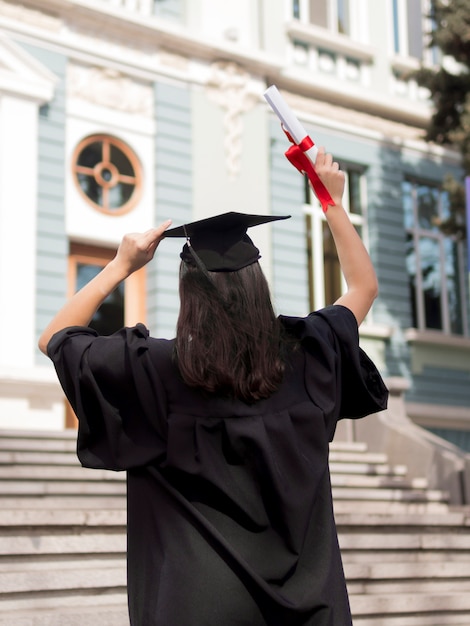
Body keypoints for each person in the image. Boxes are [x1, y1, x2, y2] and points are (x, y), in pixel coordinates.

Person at [39, 147, 388, 626]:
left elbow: (55, 338)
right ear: (257, 284)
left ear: (188, 293)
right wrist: (331, 202)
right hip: (309, 612)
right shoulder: (309, 356)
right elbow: (363, 287)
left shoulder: (151, 371)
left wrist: (121, 266)